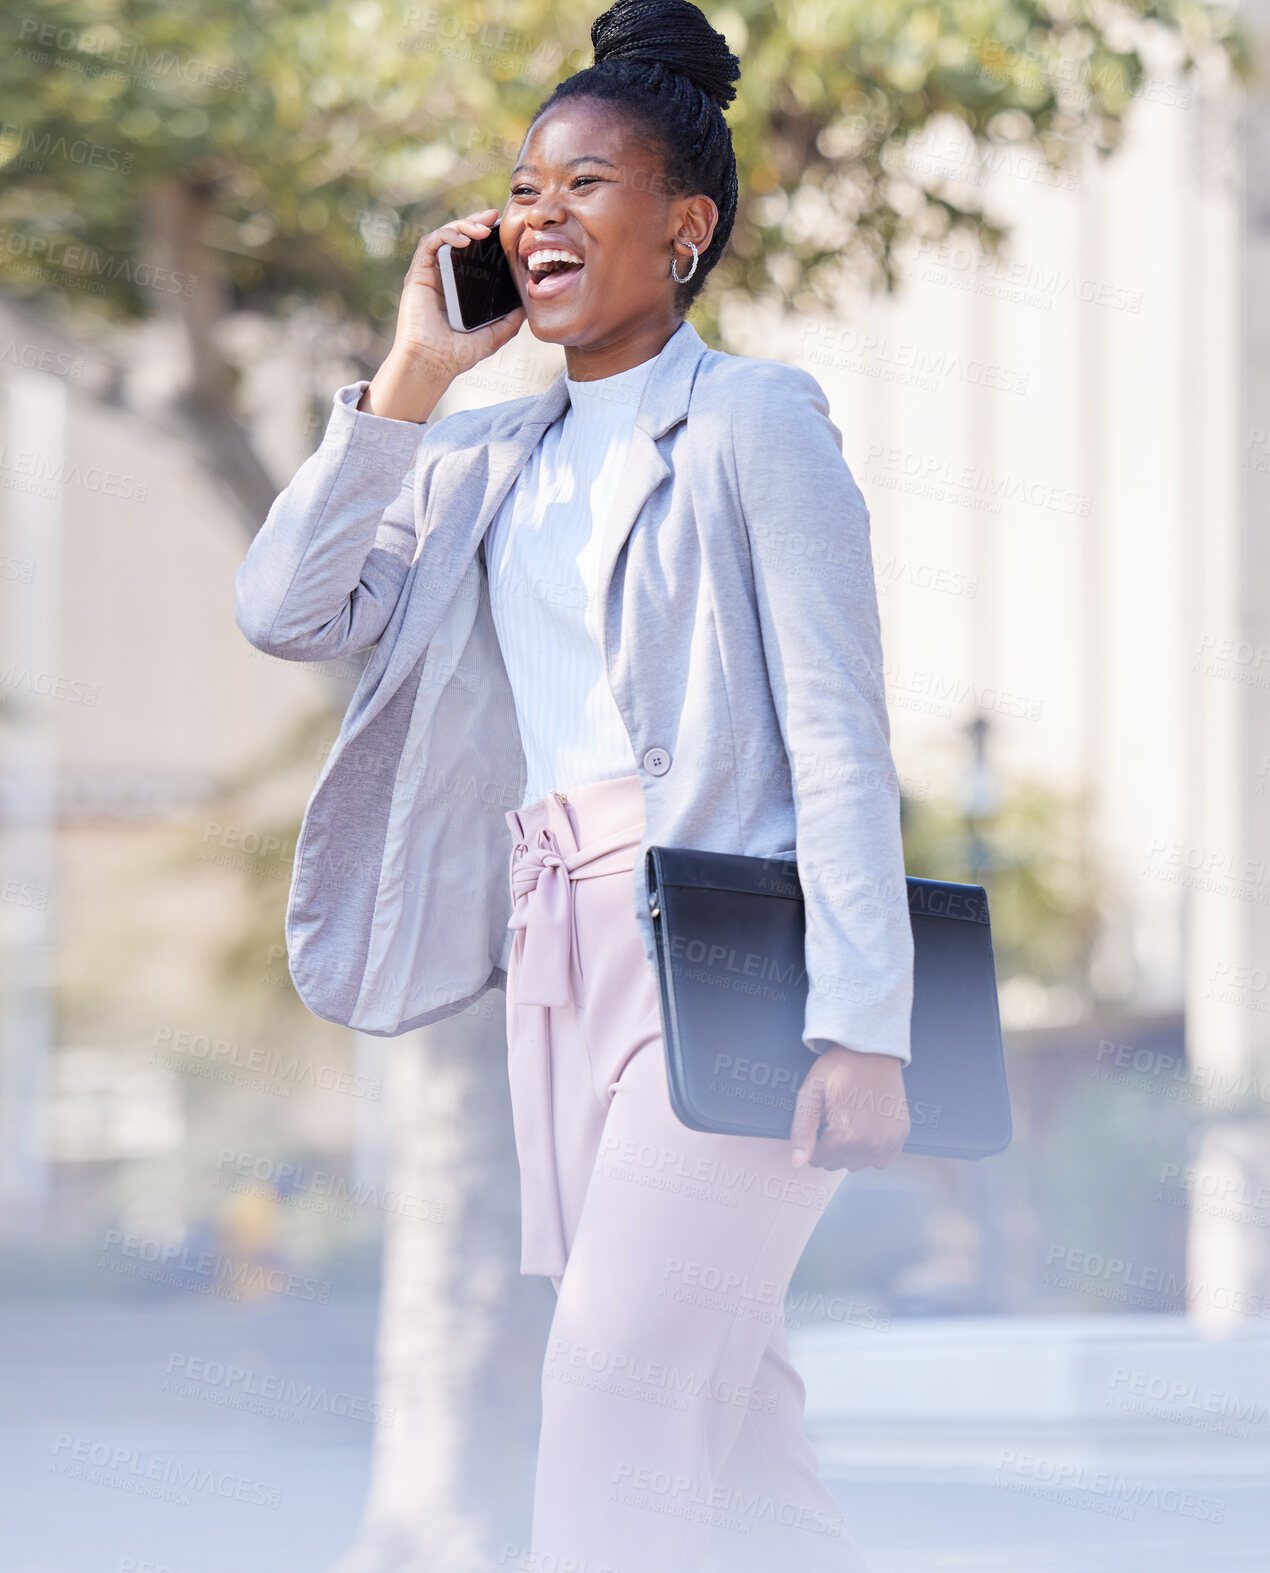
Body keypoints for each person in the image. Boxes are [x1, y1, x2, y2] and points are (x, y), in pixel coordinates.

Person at [234, 1, 915, 1566]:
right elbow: (286, 609)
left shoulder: (755, 420)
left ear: (684, 225)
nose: (538, 217)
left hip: (732, 959)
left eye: (585, 187)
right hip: (557, 960)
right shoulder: (480, 458)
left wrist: (862, 1022)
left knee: (611, 1383)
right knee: (729, 1431)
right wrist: (412, 370)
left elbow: (838, 732)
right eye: (523, 190)